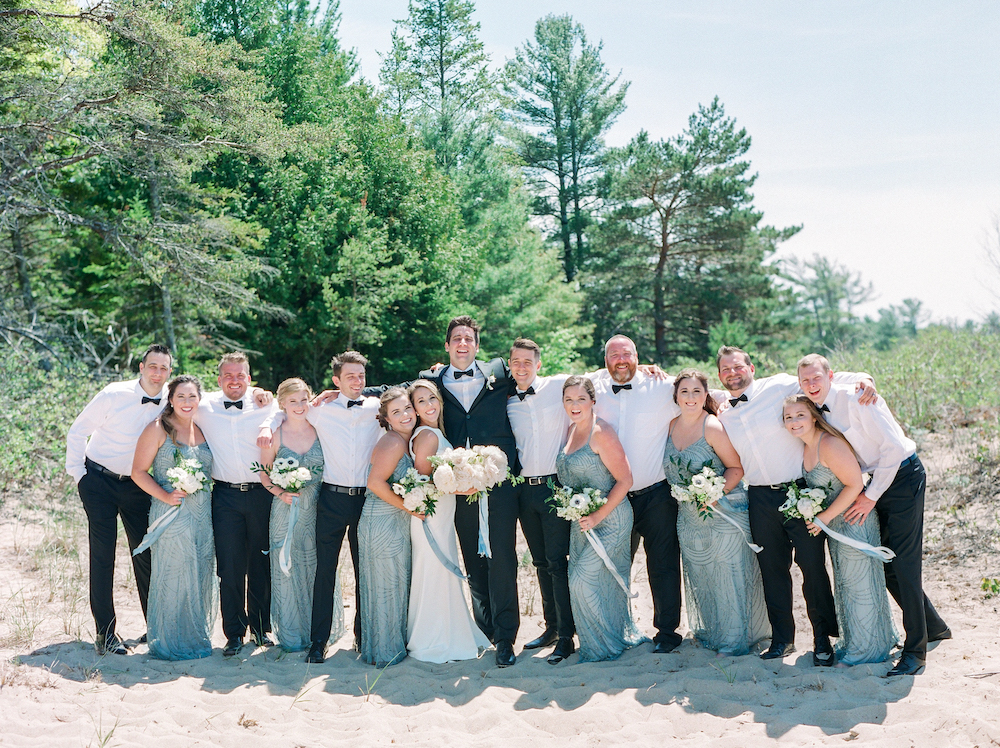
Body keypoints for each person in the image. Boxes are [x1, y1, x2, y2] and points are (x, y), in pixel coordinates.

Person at [715, 345, 875, 665]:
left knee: (813, 568)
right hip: (758, 497)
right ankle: (782, 640)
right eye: (725, 370)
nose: (733, 373)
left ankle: (822, 639)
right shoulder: (723, 409)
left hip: (799, 493)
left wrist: (863, 379)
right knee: (772, 570)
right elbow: (685, 393)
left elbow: (820, 378)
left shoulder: (778, 386)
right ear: (720, 376)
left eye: (738, 367)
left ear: (752, 367)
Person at [797, 353, 951, 676]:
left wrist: (869, 496)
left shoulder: (857, 397)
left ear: (830, 376)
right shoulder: (821, 399)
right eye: (805, 380)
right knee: (887, 562)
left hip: (902, 476)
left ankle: (915, 652)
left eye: (816, 378)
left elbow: (893, 449)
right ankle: (934, 627)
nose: (811, 385)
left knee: (906, 565)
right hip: (877, 481)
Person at [259, 351, 384, 664]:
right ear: (336, 381)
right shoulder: (320, 410)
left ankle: (362, 636)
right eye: (350, 376)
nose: (357, 381)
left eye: (361, 375)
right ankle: (318, 642)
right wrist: (266, 424)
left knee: (364, 570)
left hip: (367, 499)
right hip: (331, 499)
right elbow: (286, 412)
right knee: (323, 572)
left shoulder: (375, 407)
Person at [418, 315, 521, 667]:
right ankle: (487, 628)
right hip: (456, 486)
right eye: (456, 338)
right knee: (473, 560)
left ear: (477, 345)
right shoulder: (431, 380)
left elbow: (537, 376)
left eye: (469, 338)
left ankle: (507, 637)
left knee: (502, 559)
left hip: (499, 481)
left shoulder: (500, 371)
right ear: (446, 346)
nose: (462, 343)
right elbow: (393, 392)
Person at [66, 343, 172, 654]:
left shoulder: (170, 398)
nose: (158, 372)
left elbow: (205, 405)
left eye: (164, 368)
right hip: (98, 480)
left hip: (138, 484)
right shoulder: (114, 394)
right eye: (153, 366)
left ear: (169, 372)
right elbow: (77, 430)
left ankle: (155, 629)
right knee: (103, 556)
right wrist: (79, 476)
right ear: (141, 367)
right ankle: (106, 634)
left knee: (145, 553)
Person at [782, 393, 897, 666]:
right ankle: (861, 640)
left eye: (800, 415)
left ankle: (866, 650)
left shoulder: (829, 444)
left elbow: (855, 485)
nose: (794, 421)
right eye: (788, 417)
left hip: (854, 520)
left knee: (860, 583)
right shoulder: (806, 447)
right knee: (847, 583)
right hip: (836, 525)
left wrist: (822, 518)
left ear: (813, 416)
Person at [661, 369, 769, 656]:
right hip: (689, 518)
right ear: (676, 396)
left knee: (727, 577)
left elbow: (736, 468)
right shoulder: (671, 425)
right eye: (685, 391)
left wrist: (713, 493)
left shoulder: (712, 426)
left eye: (697, 391)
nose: (691, 397)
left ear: (705, 394)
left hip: (723, 513)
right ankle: (717, 633)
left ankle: (734, 642)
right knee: (702, 576)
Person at [590, 334, 683, 654]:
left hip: (656, 493)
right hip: (613, 496)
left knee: (664, 564)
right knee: (614, 564)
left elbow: (701, 390)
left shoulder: (661, 386)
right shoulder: (593, 386)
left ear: (637, 356)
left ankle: (668, 632)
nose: (621, 360)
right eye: (614, 355)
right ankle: (616, 630)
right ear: (604, 360)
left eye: (627, 354)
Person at [556, 376, 647, 662]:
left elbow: (625, 479)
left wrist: (597, 515)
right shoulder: (571, 431)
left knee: (583, 580)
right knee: (585, 580)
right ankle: (599, 642)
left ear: (593, 402)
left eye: (581, 399)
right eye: (569, 399)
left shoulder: (601, 433)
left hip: (610, 519)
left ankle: (606, 645)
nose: (574, 405)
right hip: (582, 523)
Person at [195, 352, 279, 658]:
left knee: (261, 563)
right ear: (218, 380)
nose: (234, 380)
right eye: (228, 375)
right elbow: (173, 400)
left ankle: (260, 629)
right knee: (229, 567)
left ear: (249, 378)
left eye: (240, 375)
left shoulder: (267, 405)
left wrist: (264, 397)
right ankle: (233, 633)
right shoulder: (203, 406)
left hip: (262, 494)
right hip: (225, 496)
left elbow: (296, 405)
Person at [130, 375, 215, 660]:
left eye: (192, 397)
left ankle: (193, 637)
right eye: (181, 397)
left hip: (202, 515)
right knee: (174, 575)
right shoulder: (157, 429)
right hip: (171, 514)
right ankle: (169, 641)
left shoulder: (203, 429)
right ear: (170, 399)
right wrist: (165, 496)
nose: (187, 402)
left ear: (199, 400)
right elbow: (138, 472)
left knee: (199, 574)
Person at [406, 380, 492, 662]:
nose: (429, 404)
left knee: (442, 571)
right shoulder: (427, 436)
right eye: (421, 401)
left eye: (432, 398)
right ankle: (432, 638)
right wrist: (463, 488)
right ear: (415, 409)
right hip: (429, 515)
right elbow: (421, 483)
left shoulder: (435, 432)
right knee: (433, 570)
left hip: (442, 514)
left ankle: (449, 631)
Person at [257, 378, 343, 653]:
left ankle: (316, 630)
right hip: (285, 509)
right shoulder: (275, 434)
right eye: (293, 401)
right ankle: (292, 633)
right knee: (287, 568)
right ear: (282, 404)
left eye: (304, 399)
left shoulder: (321, 429)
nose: (299, 405)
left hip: (319, 508)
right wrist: (279, 492)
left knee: (316, 567)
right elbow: (262, 473)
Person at [506, 338, 575, 663]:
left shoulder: (558, 386)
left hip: (554, 487)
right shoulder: (505, 399)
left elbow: (602, 380)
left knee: (557, 563)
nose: (521, 367)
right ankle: (550, 627)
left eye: (527, 361)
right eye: (515, 361)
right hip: (523, 492)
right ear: (510, 364)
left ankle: (566, 636)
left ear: (538, 364)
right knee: (539, 563)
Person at [357, 388, 418, 668]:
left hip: (396, 521)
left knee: (394, 584)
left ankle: (386, 647)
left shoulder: (407, 440)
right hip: (381, 522)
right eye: (396, 412)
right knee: (385, 586)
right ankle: (385, 652)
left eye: (407, 408)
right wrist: (410, 508)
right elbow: (375, 483)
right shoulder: (392, 442)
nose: (405, 415)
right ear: (386, 419)